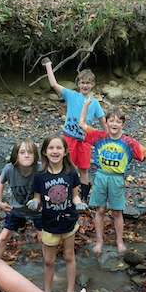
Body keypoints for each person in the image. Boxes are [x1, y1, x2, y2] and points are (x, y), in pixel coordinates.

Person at [79, 97, 146, 254]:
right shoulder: (99, 136)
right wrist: (85, 105)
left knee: (117, 212)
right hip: (100, 176)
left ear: (122, 125)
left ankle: (119, 241)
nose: (114, 124)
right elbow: (82, 124)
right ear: (107, 123)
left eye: (118, 122)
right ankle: (99, 241)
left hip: (117, 178)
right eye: (111, 121)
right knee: (100, 210)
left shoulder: (127, 142)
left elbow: (143, 150)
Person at [28, 135, 86, 292]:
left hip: (68, 221)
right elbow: (37, 197)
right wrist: (34, 202)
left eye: (59, 148)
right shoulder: (40, 176)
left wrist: (78, 203)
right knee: (48, 260)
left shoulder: (71, 173)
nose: (55, 151)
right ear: (45, 152)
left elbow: (74, 196)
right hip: (49, 223)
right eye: (51, 148)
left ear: (66, 152)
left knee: (69, 256)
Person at [43, 59, 108, 203]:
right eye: (82, 82)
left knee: (84, 168)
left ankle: (84, 196)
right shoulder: (71, 95)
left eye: (88, 83)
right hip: (69, 138)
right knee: (67, 166)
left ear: (92, 85)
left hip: (85, 140)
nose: (85, 85)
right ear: (78, 84)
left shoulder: (94, 102)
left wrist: (109, 137)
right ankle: (65, 192)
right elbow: (54, 84)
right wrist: (48, 66)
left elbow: (102, 120)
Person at [0, 139, 43, 259]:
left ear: (35, 156)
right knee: (4, 236)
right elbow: (1, 180)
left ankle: (50, 266)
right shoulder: (9, 168)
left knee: (43, 239)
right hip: (16, 208)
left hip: (38, 210)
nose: (26, 155)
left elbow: (50, 185)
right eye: (22, 152)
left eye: (30, 152)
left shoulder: (40, 168)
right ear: (16, 155)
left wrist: (47, 204)